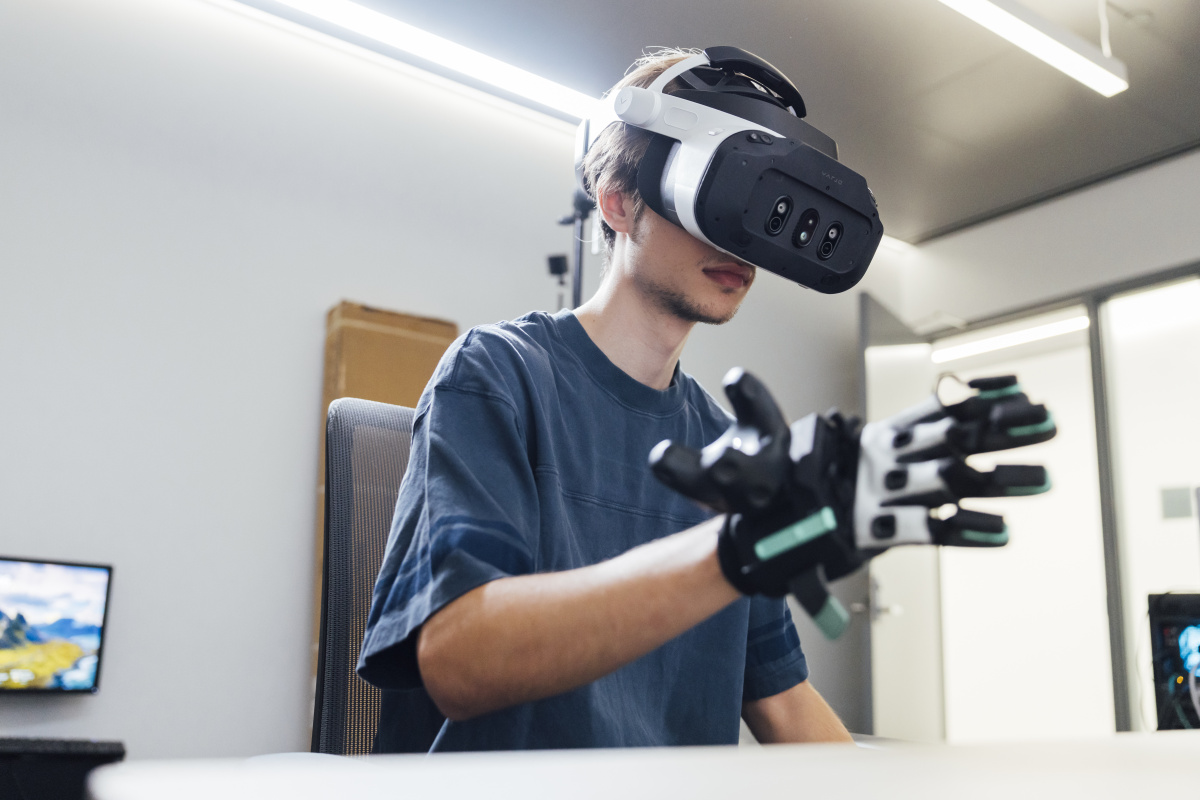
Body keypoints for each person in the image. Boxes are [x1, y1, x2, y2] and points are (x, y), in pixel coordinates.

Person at [357, 48, 853, 752]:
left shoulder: (730, 448)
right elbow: (458, 659)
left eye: (758, 207)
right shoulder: (499, 376)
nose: (741, 242)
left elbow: (784, 702)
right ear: (620, 201)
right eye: (718, 196)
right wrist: (726, 554)